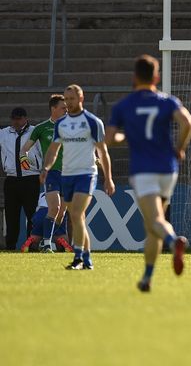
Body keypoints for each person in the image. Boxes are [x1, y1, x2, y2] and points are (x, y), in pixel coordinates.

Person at [105, 55, 191, 292]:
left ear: (134, 77)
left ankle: (173, 241)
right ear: (156, 77)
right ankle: (146, 278)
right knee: (152, 226)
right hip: (167, 168)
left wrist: (126, 136)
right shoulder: (167, 101)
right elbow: (187, 123)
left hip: (144, 170)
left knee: (155, 221)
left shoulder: (124, 105)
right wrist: (180, 149)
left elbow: (110, 139)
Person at [41, 84, 115, 270]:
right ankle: (87, 259)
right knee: (78, 217)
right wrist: (46, 168)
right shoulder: (61, 124)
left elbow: (103, 152)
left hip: (87, 173)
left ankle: (78, 258)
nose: (68, 103)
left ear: (81, 99)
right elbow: (53, 150)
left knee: (75, 214)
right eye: (66, 100)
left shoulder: (92, 121)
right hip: (67, 175)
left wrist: (109, 178)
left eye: (72, 99)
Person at [20, 94, 68, 252]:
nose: (66, 110)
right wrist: (22, 157)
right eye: (63, 108)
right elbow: (25, 148)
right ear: (53, 109)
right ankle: (47, 244)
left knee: (61, 213)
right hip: (51, 172)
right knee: (54, 208)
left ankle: (44, 238)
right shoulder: (41, 128)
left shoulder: (71, 126)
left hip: (69, 173)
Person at [0, 107, 41, 250]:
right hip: (11, 180)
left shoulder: (35, 131)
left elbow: (43, 151)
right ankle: (10, 246)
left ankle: (32, 245)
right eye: (13, 119)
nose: (16, 122)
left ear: (25, 118)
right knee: (11, 216)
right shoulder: (4, 133)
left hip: (31, 178)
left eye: (18, 119)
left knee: (32, 215)